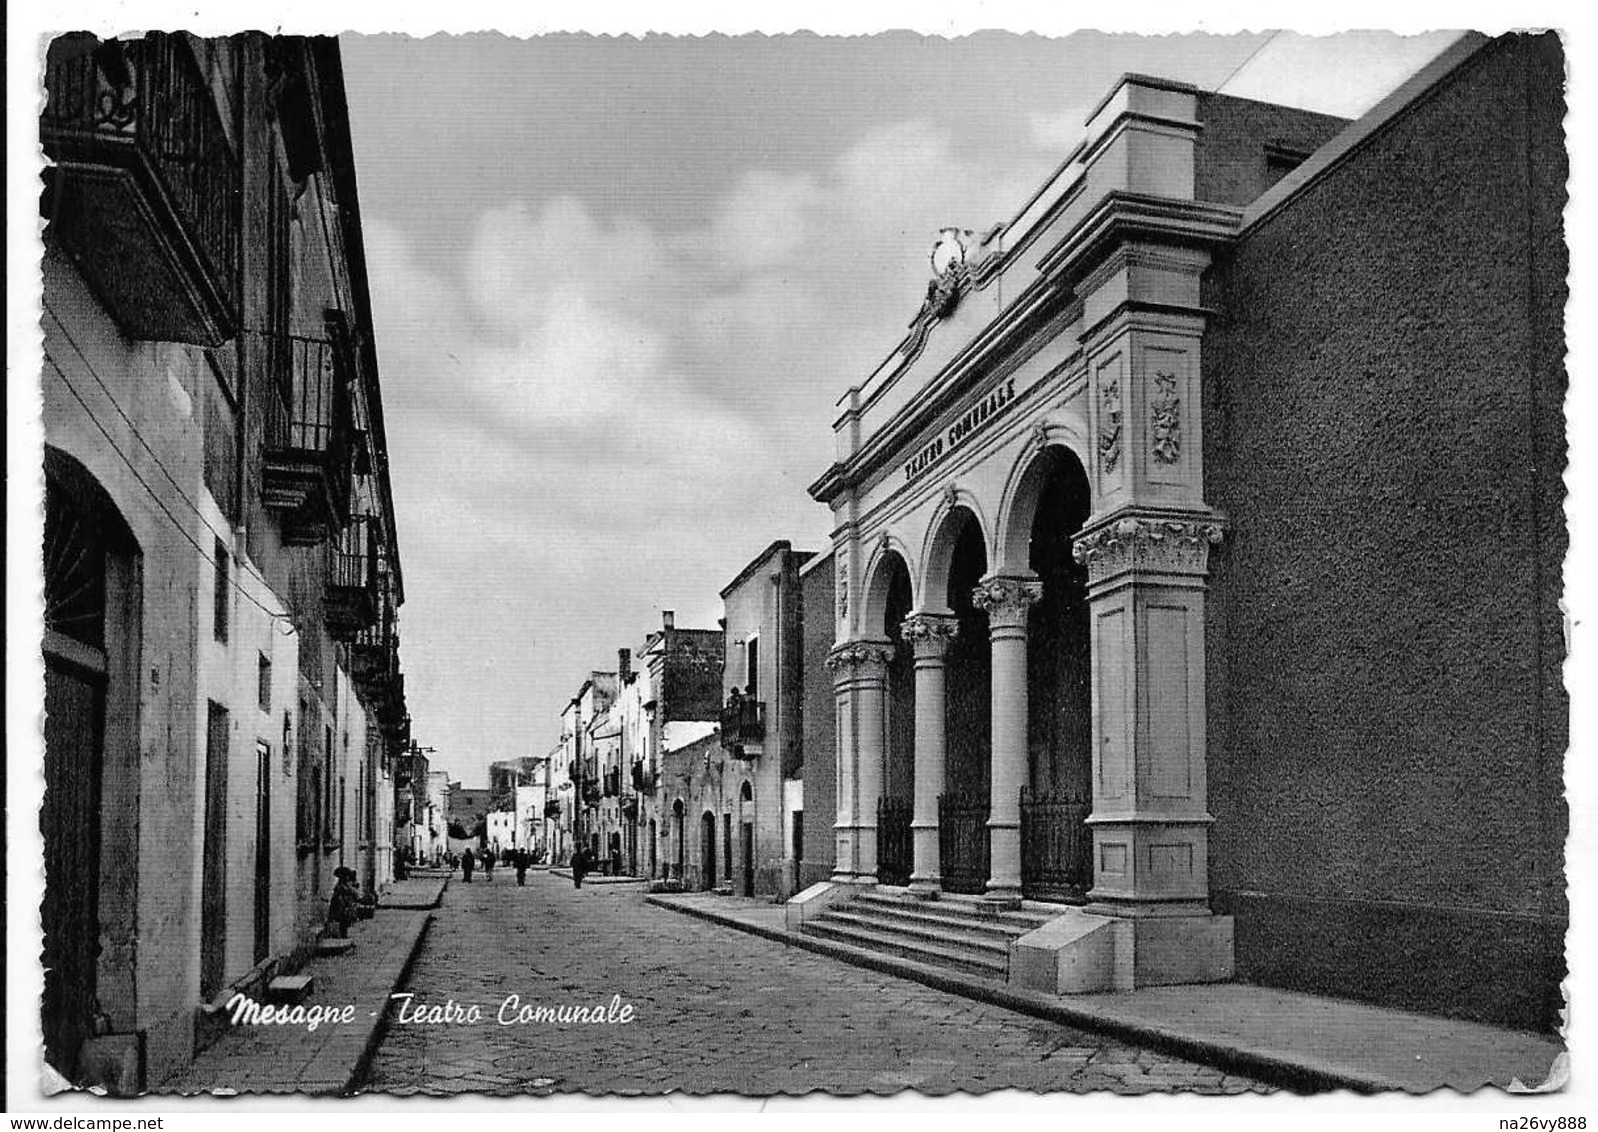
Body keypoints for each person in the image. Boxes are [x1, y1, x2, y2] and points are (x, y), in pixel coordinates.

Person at [327, 867, 359, 939]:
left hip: (343, 905)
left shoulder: (344, 885)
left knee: (343, 922)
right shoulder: (341, 886)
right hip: (340, 905)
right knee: (341, 921)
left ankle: (343, 935)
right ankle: (341, 936)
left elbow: (352, 892)